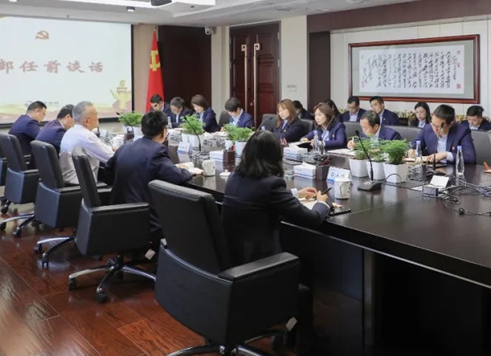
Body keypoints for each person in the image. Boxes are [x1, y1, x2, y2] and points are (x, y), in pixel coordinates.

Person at [221, 130, 328, 354]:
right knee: (304, 266)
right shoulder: (271, 184)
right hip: (259, 269)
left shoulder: (234, 178)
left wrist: (294, 194)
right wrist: (322, 203)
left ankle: (290, 328)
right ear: (275, 156)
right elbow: (312, 219)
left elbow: (260, 197)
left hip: (233, 263)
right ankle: (304, 340)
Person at [107, 111, 196, 243]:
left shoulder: (125, 147)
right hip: (144, 217)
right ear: (164, 131)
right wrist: (188, 170)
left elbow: (108, 172)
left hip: (117, 212)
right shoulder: (157, 151)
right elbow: (177, 177)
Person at [59, 101, 116, 186]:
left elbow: (102, 149)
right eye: (96, 114)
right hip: (82, 185)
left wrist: (113, 149)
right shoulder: (86, 136)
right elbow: (111, 158)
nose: (98, 117)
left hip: (70, 180)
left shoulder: (70, 131)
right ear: (87, 121)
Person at [411, 104, 476, 166]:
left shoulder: (462, 131)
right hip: (432, 169)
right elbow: (414, 145)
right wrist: (411, 150)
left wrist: (446, 155)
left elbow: (470, 157)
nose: (435, 129)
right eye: (433, 124)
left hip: (453, 170)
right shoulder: (428, 128)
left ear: (450, 124)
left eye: (439, 127)